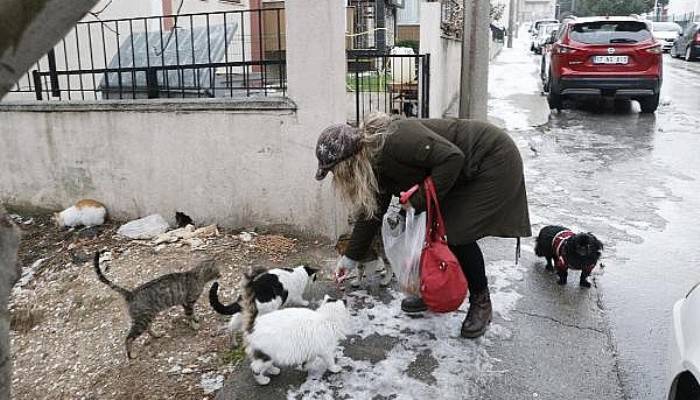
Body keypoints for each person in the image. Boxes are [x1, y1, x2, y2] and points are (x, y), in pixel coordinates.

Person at [315, 112, 531, 338]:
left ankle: (481, 301)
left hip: (492, 160)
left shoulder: (395, 142)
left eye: (336, 172)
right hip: (464, 170)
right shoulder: (373, 160)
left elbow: (452, 158)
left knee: (456, 233)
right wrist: (349, 259)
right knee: (434, 228)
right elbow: (372, 213)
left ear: (349, 162)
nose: (338, 178)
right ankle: (435, 290)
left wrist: (416, 201)